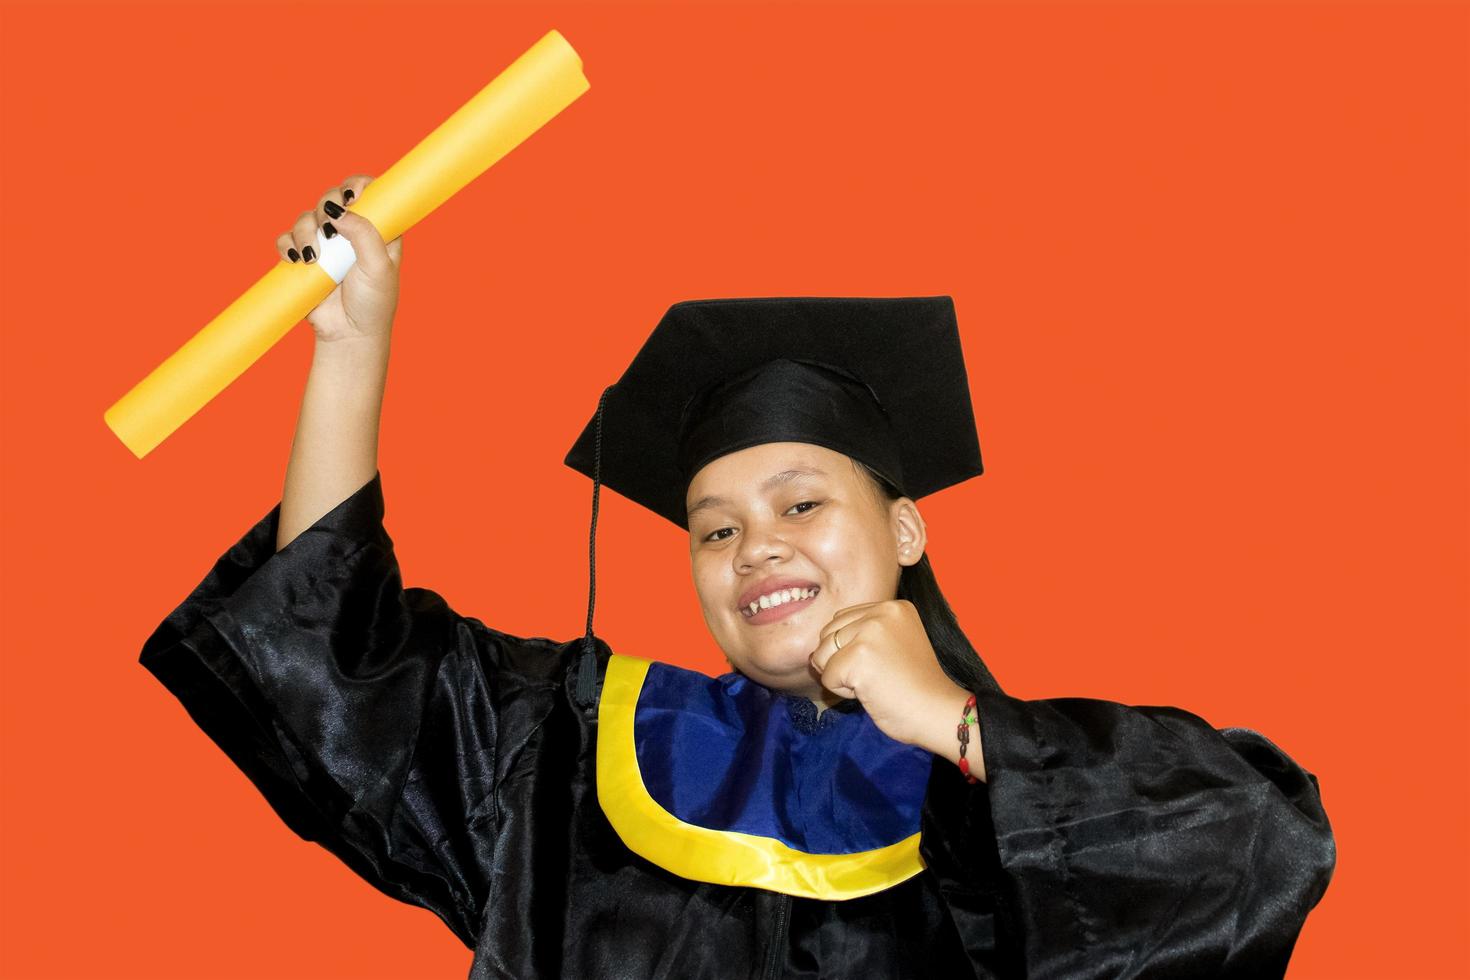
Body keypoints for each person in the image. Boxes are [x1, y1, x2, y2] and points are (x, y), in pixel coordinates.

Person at [139, 175, 1336, 979]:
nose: (753, 545)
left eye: (801, 504)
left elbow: (1260, 844)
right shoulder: (569, 751)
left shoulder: (1014, 795)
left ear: (908, 530)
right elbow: (333, 659)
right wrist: (353, 348)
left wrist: (958, 726)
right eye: (712, 529)